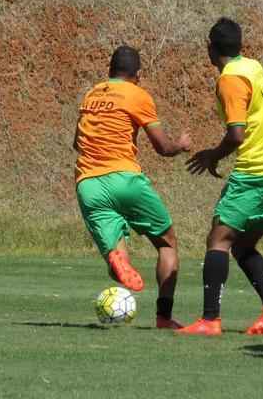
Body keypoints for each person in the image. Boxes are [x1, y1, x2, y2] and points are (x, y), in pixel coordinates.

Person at [178, 18, 263, 337]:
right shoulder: (252, 66)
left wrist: (211, 156)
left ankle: (210, 320)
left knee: (218, 239)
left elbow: (236, 135)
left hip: (257, 170)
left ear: (210, 47)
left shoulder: (230, 79)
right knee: (243, 246)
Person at [73, 45, 192, 329]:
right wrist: (181, 145)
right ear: (138, 75)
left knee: (118, 260)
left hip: (88, 184)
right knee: (167, 242)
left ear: (109, 71)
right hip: (124, 179)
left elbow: (77, 142)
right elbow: (162, 147)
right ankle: (163, 317)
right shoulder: (137, 95)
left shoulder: (91, 95)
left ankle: (118, 259)